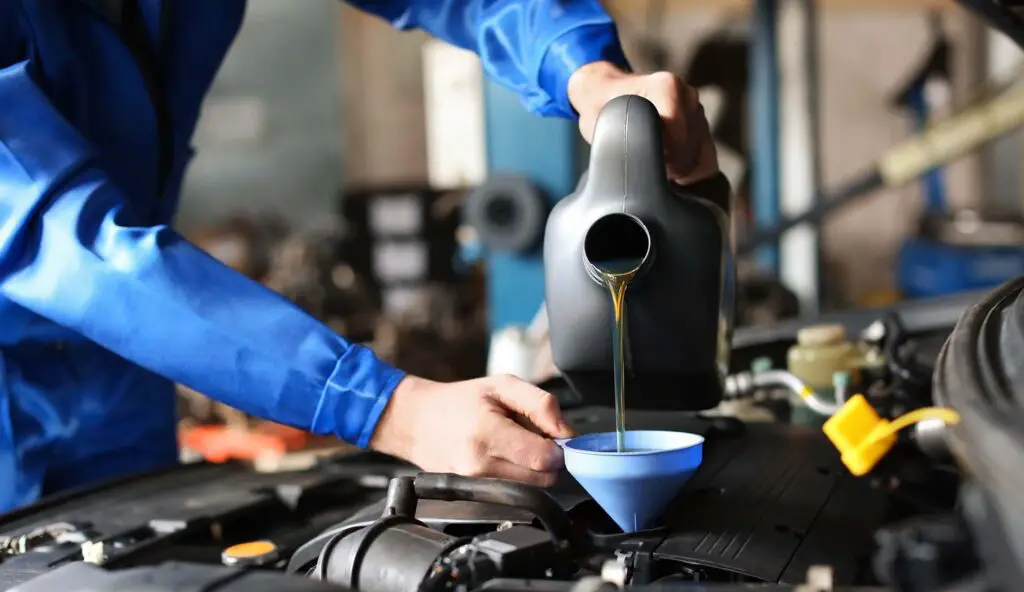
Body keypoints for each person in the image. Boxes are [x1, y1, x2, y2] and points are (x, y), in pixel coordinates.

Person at [0, 1, 718, 512]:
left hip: (127, 370)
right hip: (33, 361)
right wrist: (388, 407)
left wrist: (583, 69)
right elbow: (73, 246)